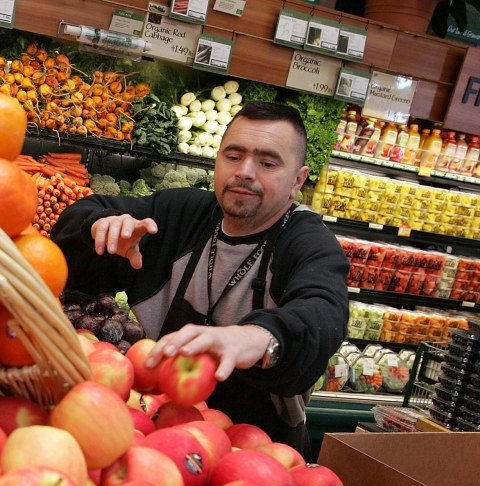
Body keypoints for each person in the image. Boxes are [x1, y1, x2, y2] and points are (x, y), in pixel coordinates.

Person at [50, 101, 349, 458]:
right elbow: (82, 214)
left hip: (256, 457)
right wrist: (98, 228)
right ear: (217, 160)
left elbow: (324, 312)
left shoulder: (307, 244)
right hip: (163, 437)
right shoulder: (180, 214)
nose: (245, 172)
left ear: (297, 181)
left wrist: (260, 337)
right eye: (234, 157)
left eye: (267, 163)